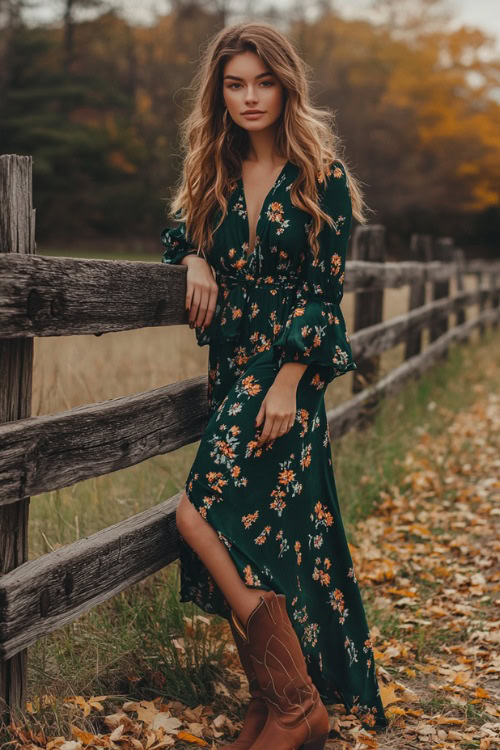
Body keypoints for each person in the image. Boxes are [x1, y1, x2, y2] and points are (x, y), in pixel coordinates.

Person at [160, 21, 388, 747]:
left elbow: (326, 295)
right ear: (219, 91)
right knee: (247, 535)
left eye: (263, 81)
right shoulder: (214, 172)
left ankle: (295, 703)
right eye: (235, 83)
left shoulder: (323, 175)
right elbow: (179, 231)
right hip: (231, 368)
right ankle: (274, 702)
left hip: (284, 373)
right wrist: (195, 259)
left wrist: (289, 381)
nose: (249, 96)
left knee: (198, 518)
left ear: (286, 85)